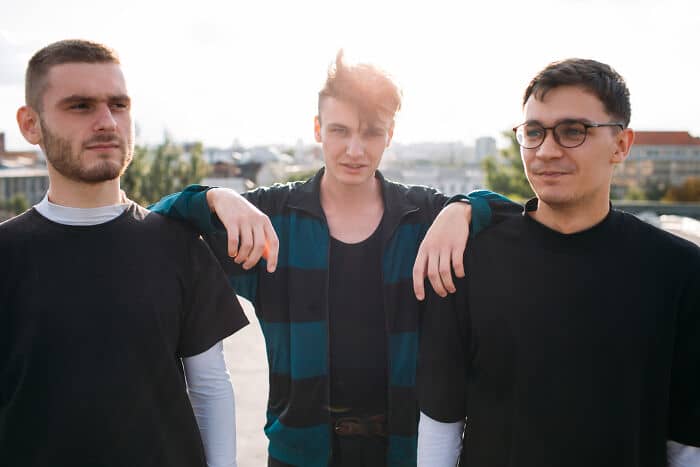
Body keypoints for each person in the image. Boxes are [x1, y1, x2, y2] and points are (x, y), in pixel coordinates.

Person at [149, 51, 519, 466]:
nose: (354, 150)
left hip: (404, 452)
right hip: (299, 453)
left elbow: (519, 221)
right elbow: (153, 226)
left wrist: (465, 208)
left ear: (390, 135)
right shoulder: (273, 218)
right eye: (340, 130)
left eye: (371, 133)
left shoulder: (424, 217)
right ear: (317, 129)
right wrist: (214, 197)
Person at [417, 58, 700, 467]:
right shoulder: (466, 262)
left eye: (573, 131)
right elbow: (441, 420)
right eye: (534, 132)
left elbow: (687, 440)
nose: (547, 151)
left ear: (621, 144)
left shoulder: (679, 271)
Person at [0, 40, 249, 467]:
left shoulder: (180, 246)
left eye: (119, 105)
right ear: (30, 124)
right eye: (80, 106)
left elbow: (210, 388)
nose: (107, 122)